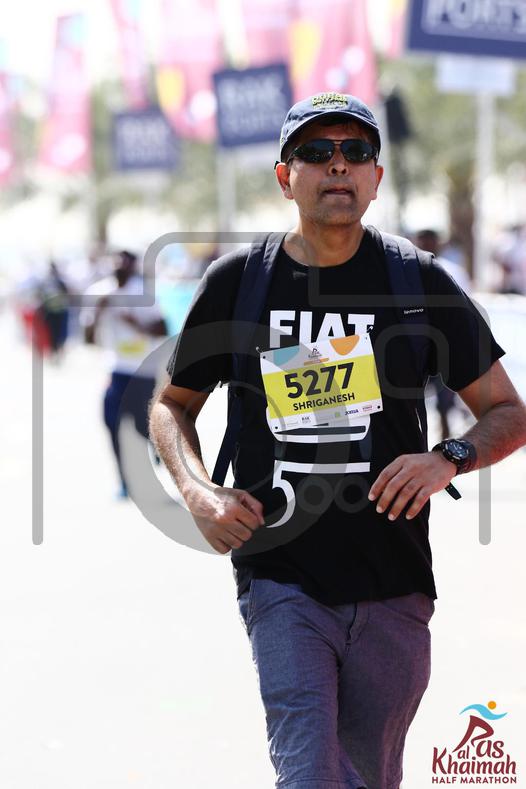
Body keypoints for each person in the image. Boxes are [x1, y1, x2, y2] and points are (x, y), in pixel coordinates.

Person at [149, 93, 526, 788]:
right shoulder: (239, 284)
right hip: (281, 577)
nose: (339, 166)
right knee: (309, 773)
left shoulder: (418, 283)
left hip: (395, 582)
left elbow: (508, 411)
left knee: (370, 776)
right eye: (317, 152)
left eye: (356, 152)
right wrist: (200, 493)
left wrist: (448, 458)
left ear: (377, 177)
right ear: (284, 176)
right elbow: (171, 405)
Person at [86, 250, 167, 498]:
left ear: (132, 266)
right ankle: (123, 480)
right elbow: (87, 338)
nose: (119, 265)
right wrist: (97, 313)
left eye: (125, 261)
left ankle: (157, 446)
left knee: (143, 424)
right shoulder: (100, 292)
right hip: (116, 369)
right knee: (111, 422)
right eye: (115, 260)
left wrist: (135, 323)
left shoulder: (143, 293)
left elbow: (162, 328)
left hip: (142, 370)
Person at [414, 229, 471, 440]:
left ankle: (445, 439)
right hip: (416, 344)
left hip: (445, 345)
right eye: (423, 240)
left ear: (439, 243)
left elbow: (467, 308)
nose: (427, 244)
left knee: (444, 399)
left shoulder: (451, 271)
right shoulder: (405, 271)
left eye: (430, 240)